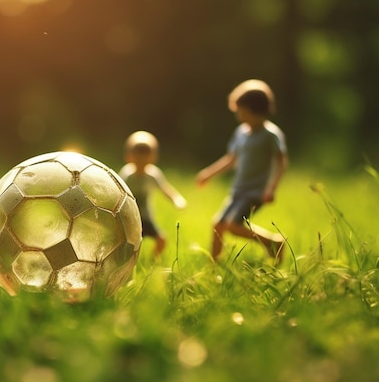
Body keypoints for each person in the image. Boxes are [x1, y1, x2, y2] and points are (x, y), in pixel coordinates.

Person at [196, 79, 288, 264]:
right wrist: (209, 174)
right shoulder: (241, 133)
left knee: (233, 225)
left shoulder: (270, 135)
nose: (239, 115)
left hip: (255, 192)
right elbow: (231, 159)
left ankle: (273, 242)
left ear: (257, 111)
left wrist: (271, 188)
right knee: (218, 225)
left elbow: (282, 162)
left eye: (242, 111)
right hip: (238, 190)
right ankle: (214, 267)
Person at [119, 131, 187, 261]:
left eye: (145, 161)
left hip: (145, 217)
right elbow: (117, 191)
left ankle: (151, 261)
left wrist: (176, 199)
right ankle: (125, 263)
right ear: (130, 157)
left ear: (152, 158)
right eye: (138, 161)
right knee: (126, 243)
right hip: (128, 217)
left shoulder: (153, 174)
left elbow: (165, 189)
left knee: (161, 240)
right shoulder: (127, 175)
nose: (141, 165)